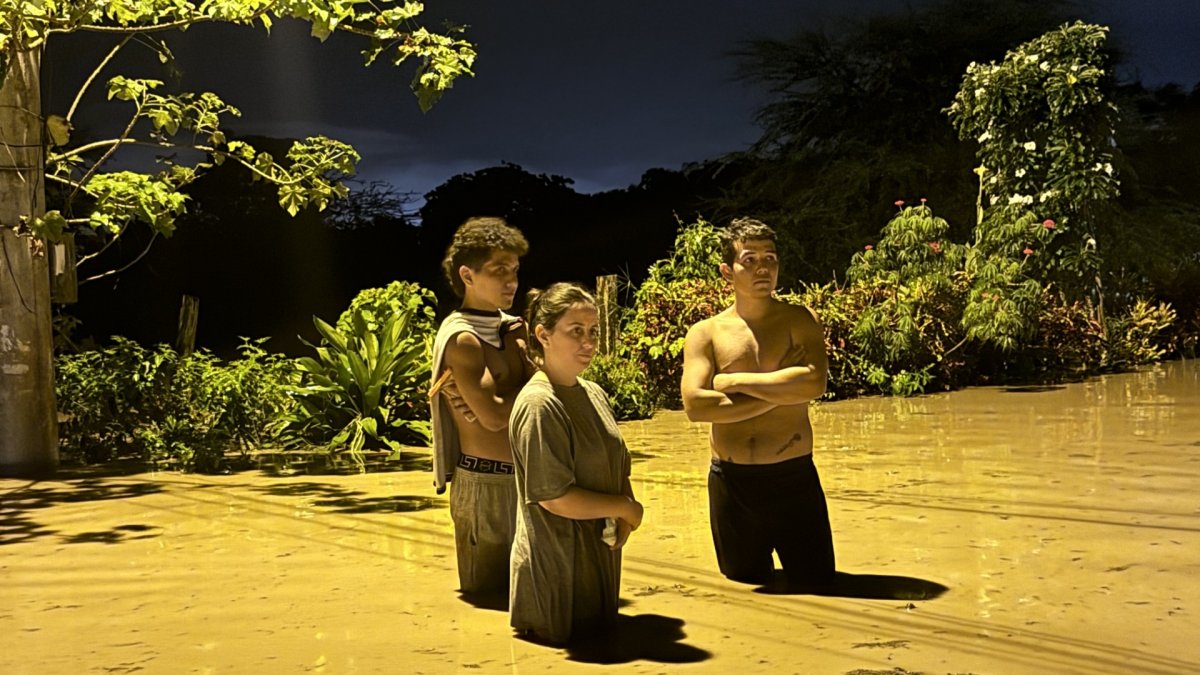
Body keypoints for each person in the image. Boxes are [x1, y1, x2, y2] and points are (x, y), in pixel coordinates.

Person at [680, 217, 835, 588]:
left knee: (817, 585)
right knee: (744, 586)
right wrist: (780, 392)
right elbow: (696, 406)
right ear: (727, 271)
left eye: (770, 258)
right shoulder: (706, 333)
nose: (762, 268)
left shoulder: (799, 319)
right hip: (731, 485)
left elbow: (814, 382)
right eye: (749, 260)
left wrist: (734, 381)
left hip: (793, 478)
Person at [508, 283, 644, 645]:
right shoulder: (540, 404)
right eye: (576, 332)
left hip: (596, 561)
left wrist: (624, 513)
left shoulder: (594, 394)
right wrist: (627, 508)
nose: (589, 342)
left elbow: (617, 465)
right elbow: (554, 497)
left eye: (593, 331)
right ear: (543, 335)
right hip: (554, 574)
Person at [430, 216, 534, 597]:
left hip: (528, 478)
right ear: (468, 276)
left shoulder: (513, 327)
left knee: (531, 598)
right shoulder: (463, 338)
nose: (511, 281)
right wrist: (528, 374)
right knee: (489, 600)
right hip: (485, 483)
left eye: (514, 270)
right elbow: (493, 419)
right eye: (498, 270)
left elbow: (550, 394)